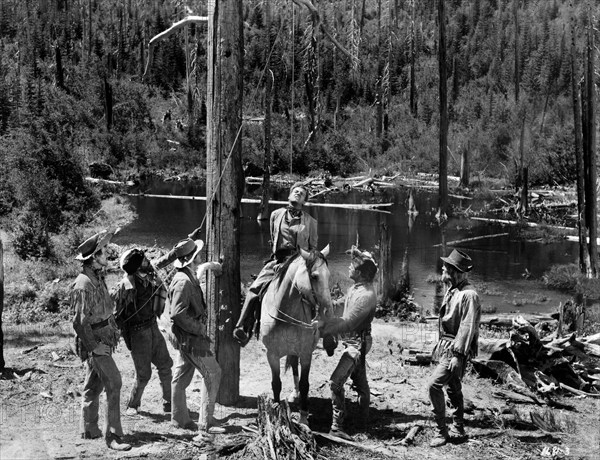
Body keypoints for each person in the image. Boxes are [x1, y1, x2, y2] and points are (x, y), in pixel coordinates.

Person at [233, 182, 318, 346]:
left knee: (318, 293)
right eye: (295, 191)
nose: (298, 193)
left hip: (299, 264)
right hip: (277, 261)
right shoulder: (275, 215)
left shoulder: (311, 222)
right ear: (289, 196)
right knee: (254, 290)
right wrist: (278, 258)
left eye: (302, 193)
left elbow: (313, 249)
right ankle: (243, 327)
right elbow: (274, 238)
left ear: (304, 201)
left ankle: (324, 332)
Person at [71, 230, 131, 451]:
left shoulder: (97, 277)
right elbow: (79, 322)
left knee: (93, 385)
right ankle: (112, 436)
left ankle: (89, 428)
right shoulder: (83, 284)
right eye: (103, 251)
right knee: (114, 382)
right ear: (93, 257)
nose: (107, 254)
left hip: (103, 339)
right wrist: (94, 347)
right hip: (95, 342)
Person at [314, 246, 378, 441]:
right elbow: (342, 303)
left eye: (352, 266)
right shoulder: (356, 288)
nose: (349, 267)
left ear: (359, 273)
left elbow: (348, 322)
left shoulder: (366, 296)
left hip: (357, 345)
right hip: (353, 342)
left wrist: (322, 328)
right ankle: (363, 421)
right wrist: (325, 304)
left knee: (335, 383)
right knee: (361, 384)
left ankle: (337, 426)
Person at [166, 238, 224, 442]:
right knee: (213, 372)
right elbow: (177, 314)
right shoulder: (183, 281)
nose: (201, 256)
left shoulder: (186, 275)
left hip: (184, 336)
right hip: (189, 338)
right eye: (198, 254)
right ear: (192, 259)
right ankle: (205, 423)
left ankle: (179, 418)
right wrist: (199, 328)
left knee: (181, 375)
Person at [427, 249, 481, 447]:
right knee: (453, 386)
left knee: (434, 385)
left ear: (455, 271)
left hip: (455, 349)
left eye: (446, 266)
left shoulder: (469, 295)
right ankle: (458, 425)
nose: (443, 268)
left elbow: (467, 327)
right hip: (447, 346)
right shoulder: (453, 289)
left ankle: (441, 432)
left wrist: (458, 355)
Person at [111, 248, 173, 416]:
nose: (148, 260)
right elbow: (118, 315)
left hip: (153, 327)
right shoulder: (127, 286)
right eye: (144, 259)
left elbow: (165, 259)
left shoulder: (148, 274)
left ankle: (169, 403)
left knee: (166, 365)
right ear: (138, 266)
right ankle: (133, 404)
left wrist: (179, 250)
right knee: (144, 374)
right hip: (138, 334)